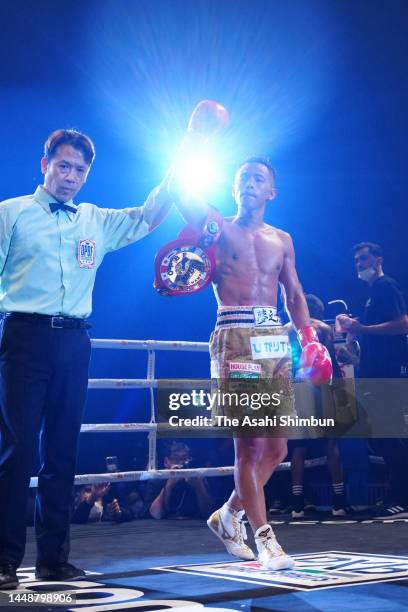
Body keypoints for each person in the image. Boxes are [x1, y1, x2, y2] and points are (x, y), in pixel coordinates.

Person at [0, 129, 172, 589]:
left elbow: (149, 215)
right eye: (64, 166)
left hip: (76, 341)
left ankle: (54, 560)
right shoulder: (10, 214)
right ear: (45, 164)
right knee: (15, 452)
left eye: (79, 170)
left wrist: (184, 156)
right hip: (24, 337)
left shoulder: (95, 220)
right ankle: (2, 560)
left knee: (62, 452)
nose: (71, 176)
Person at [168, 155, 332, 570]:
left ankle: (229, 516)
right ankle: (265, 539)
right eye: (242, 178)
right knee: (250, 446)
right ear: (233, 187)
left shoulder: (283, 239)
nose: (248, 184)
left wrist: (309, 338)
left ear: (271, 191)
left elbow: (294, 293)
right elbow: (176, 190)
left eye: (257, 178)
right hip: (235, 337)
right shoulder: (217, 227)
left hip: (274, 339)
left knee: (276, 448)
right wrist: (194, 142)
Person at [336, 242, 408, 518]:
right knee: (381, 436)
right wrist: (352, 352)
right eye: (356, 260)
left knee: (390, 435)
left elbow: (403, 324)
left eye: (364, 258)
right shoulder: (371, 295)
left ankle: (401, 497)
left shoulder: (385, 286)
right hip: (376, 370)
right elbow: (372, 337)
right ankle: (399, 494)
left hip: (389, 372)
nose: (359, 264)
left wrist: (361, 327)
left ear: (378, 259)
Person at [289, 294, 348, 518]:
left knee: (298, 448)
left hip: (299, 389)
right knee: (330, 446)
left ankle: (296, 506)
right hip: (324, 389)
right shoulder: (325, 328)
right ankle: (339, 502)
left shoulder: (289, 329)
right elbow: (331, 358)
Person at [147, 442, 213, 520]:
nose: (180, 462)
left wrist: (199, 486)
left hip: (193, 525)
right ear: (166, 462)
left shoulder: (196, 478)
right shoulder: (157, 479)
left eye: (184, 458)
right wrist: (169, 485)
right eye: (175, 458)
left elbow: (207, 513)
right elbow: (155, 514)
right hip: (163, 526)